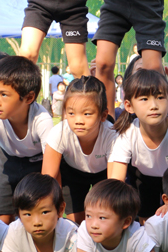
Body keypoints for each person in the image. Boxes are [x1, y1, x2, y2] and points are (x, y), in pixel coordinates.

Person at [107, 69, 168, 218]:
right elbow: (115, 181)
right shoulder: (128, 133)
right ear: (129, 106)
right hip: (142, 179)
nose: (153, 105)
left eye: (159, 97)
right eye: (144, 99)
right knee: (145, 222)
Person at [0, 56, 53, 224]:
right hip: (7, 161)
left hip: (38, 162)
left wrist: (50, 197)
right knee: (2, 218)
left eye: (4, 94)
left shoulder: (42, 119)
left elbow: (50, 167)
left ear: (29, 98)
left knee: (35, 214)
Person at [42, 76, 117, 224]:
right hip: (72, 174)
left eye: (87, 114)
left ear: (103, 115)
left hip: (103, 175)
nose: (78, 120)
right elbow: (48, 179)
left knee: (103, 217)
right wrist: (54, 206)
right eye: (71, 113)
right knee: (75, 223)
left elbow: (114, 182)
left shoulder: (112, 136)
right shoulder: (59, 133)